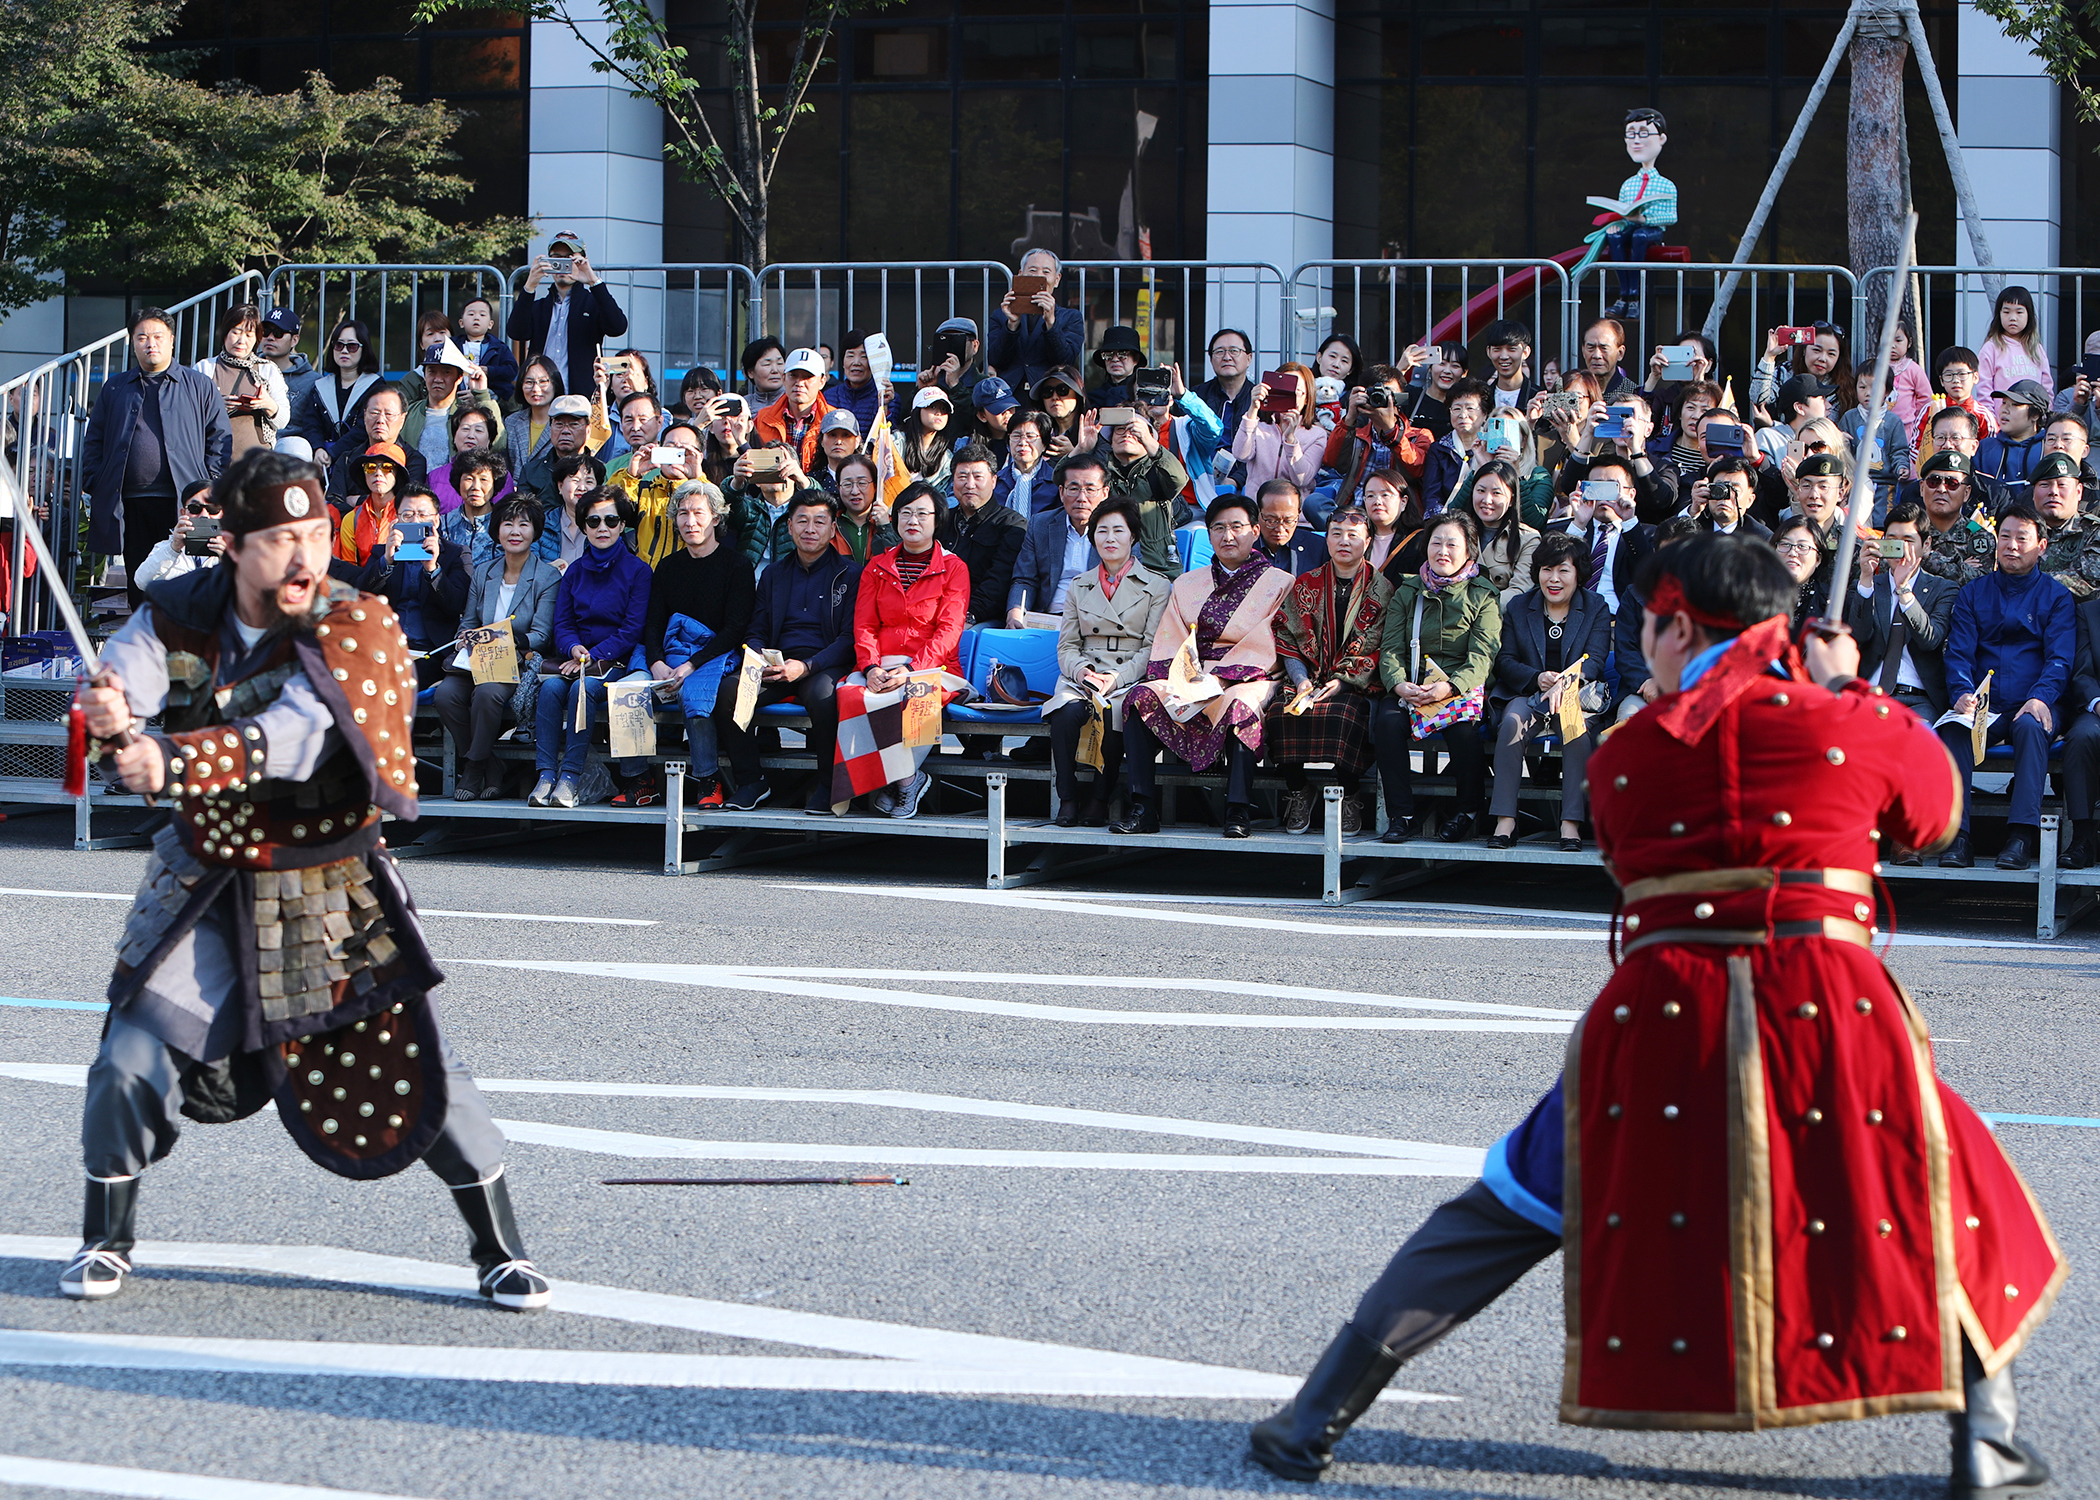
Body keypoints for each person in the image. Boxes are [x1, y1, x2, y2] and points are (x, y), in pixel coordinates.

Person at [1247, 532, 2063, 1494]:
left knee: (1508, 1204)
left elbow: (1632, 861)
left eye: (1649, 624)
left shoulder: (1627, 752)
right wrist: (1851, 694)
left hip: (1664, 1011)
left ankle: (1314, 1416)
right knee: (1944, 1194)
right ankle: (1987, 1441)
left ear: (1682, 625)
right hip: (1827, 1010)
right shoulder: (1850, 720)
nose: (1644, 640)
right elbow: (1933, 819)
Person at [65, 447, 552, 1312]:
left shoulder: (357, 622)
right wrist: (110, 712)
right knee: (131, 1051)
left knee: (417, 1069)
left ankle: (498, 1246)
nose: (303, 558)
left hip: (326, 885)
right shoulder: (181, 609)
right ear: (235, 544)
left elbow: (294, 739)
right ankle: (106, 1236)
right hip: (204, 874)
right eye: (281, 539)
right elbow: (129, 674)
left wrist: (166, 760)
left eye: (316, 535)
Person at [1114, 492, 1291, 839]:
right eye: (1219, 528)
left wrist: (1220, 679)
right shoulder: (1186, 583)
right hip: (1191, 673)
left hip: (1247, 676)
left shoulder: (1279, 583)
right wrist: (1189, 677)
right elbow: (1172, 637)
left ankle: (1237, 810)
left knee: (1241, 707)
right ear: (1208, 534)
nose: (1228, 536)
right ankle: (1142, 806)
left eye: (1237, 527)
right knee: (1139, 698)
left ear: (1255, 531)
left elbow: (1267, 643)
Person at [1938, 504, 2076, 871]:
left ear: (2041, 546)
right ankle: (1958, 836)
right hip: (1985, 701)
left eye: (2022, 539)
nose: (2012, 546)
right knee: (1955, 727)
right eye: (2005, 537)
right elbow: (1959, 654)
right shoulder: (1973, 593)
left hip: (2037, 699)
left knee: (2032, 727)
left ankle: (2020, 836)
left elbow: (2060, 659)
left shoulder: (2057, 597)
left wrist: (2040, 697)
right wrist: (1962, 695)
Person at [716, 491, 861, 815]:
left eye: (819, 521)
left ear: (833, 528)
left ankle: (828, 785)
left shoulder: (849, 574)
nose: (810, 529)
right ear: (790, 527)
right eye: (802, 521)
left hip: (824, 663)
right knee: (729, 690)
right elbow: (756, 628)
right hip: (776, 663)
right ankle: (751, 781)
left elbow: (850, 637)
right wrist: (757, 659)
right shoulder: (774, 574)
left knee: (824, 693)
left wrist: (808, 666)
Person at [82, 307, 233, 606]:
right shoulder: (115, 387)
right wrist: (95, 479)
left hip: (188, 503)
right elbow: (94, 439)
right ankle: (147, 641)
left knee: (192, 573)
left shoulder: (198, 385)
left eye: (158, 336)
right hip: (131, 502)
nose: (151, 343)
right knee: (140, 578)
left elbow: (219, 439)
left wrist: (210, 487)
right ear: (132, 343)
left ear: (172, 340)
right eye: (142, 337)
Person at [1039, 498, 1172, 827]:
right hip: (1083, 672)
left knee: (1115, 712)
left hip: (1128, 673)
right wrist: (1082, 671)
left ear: (1133, 537)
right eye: (1102, 531)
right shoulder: (1078, 585)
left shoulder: (1158, 586)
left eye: (1118, 530)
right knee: (1065, 713)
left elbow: (1153, 648)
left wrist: (1116, 677)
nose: (1109, 538)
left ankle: (1100, 796)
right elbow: (1067, 644)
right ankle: (1068, 797)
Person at [1372, 510, 1500, 844]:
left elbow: (1482, 654)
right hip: (1412, 685)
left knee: (1464, 732)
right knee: (1387, 722)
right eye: (1436, 542)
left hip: (1458, 688)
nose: (1442, 550)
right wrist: (1398, 683)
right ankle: (1402, 813)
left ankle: (1467, 809)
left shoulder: (1482, 595)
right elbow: (1390, 648)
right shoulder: (1407, 591)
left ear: (1469, 551)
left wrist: (1450, 686)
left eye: (1452, 544)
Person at [844, 483, 969, 819]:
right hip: (882, 662)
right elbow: (865, 625)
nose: (913, 520)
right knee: (848, 693)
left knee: (914, 694)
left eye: (922, 513)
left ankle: (900, 782)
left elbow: (949, 630)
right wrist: (870, 667)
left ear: (937, 520)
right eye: (906, 512)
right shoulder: (876, 566)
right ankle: (901, 779)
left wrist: (911, 668)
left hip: (934, 667)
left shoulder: (954, 567)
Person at [1844, 502, 1957, 866]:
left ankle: (1904, 838)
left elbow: (1930, 638)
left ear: (1925, 546)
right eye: (1891, 538)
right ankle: (1855, 835)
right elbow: (1856, 636)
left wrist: (1905, 592)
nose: (1899, 547)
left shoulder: (1942, 588)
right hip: (1872, 693)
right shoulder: (1868, 584)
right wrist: (1863, 581)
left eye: (1908, 540)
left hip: (1918, 696)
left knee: (1916, 742)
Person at [1267, 505, 1391, 837]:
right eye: (1336, 534)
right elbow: (1288, 635)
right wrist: (1301, 679)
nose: (1343, 542)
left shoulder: (1381, 589)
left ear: (1367, 540)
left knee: (1343, 716)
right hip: (1309, 679)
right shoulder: (1307, 583)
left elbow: (1376, 645)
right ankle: (1299, 790)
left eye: (1353, 535)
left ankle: (1349, 794)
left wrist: (1341, 682)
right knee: (1282, 711)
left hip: (1353, 684)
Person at [1486, 530, 1611, 850]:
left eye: (1563, 570)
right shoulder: (1518, 606)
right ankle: (1505, 821)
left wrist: (1564, 683)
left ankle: (1570, 824)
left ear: (1578, 574)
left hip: (1574, 695)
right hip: (1529, 692)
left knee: (1575, 730)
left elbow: (1595, 659)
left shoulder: (1596, 606)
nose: (1554, 579)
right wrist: (1538, 678)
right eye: (1547, 570)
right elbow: (1505, 659)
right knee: (1511, 723)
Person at [531, 486, 653, 809]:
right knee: (550, 689)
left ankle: (570, 778)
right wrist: (573, 648)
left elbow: (632, 630)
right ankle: (545, 775)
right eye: (594, 521)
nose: (602, 528)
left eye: (611, 520)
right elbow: (563, 624)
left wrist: (591, 656)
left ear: (622, 525)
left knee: (578, 691)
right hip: (578, 660)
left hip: (619, 662)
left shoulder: (639, 571)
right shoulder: (573, 572)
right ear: (584, 526)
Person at [434, 496, 561, 802]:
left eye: (523, 524)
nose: (515, 531)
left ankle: (474, 768)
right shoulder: (483, 572)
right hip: (475, 658)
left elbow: (541, 634)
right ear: (497, 530)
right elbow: (467, 621)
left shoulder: (547, 576)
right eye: (508, 524)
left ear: (535, 531)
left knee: (488, 693)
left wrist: (503, 639)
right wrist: (466, 636)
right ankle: (490, 762)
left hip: (515, 660)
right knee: (445, 695)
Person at [644, 480, 756, 810]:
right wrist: (655, 661)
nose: (690, 522)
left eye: (698, 513)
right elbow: (653, 623)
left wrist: (692, 664)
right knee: (629, 690)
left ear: (716, 518)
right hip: (671, 651)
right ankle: (638, 779)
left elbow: (735, 628)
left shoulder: (737, 565)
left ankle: (708, 779)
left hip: (716, 653)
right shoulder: (667, 566)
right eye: (682, 514)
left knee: (696, 691)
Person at [362, 486, 468, 691]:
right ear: (397, 519)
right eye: (407, 515)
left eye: (422, 515)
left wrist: (433, 568)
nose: (415, 522)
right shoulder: (381, 553)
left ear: (436, 520)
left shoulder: (456, 554)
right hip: (385, 648)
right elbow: (362, 596)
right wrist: (387, 561)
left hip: (430, 652)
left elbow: (456, 604)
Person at [508, 232, 628, 399]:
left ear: (582, 261)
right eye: (556, 258)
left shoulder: (592, 302)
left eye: (570, 259)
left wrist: (593, 281)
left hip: (581, 395)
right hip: (540, 394)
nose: (562, 265)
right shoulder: (539, 306)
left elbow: (618, 327)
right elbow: (516, 332)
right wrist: (530, 286)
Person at [1546, 456, 1653, 616]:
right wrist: (1579, 524)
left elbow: (1647, 575)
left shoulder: (1647, 534)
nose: (1604, 496)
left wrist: (1629, 521)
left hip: (1618, 620)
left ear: (1631, 494)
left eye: (1612, 487)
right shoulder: (1563, 530)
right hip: (1567, 615)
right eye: (1596, 487)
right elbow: (1550, 570)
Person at [937, 442, 1027, 627]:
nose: (970, 484)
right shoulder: (941, 521)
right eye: (962, 476)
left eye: (978, 477)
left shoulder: (1012, 524)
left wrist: (970, 615)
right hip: (937, 609)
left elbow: (999, 581)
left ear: (994, 481)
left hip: (981, 617)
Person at [1008, 454, 1105, 625]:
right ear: (1061, 492)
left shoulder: (1118, 530)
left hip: (1096, 622)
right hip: (1048, 619)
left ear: (1105, 493)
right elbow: (1025, 579)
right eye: (1073, 489)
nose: (1081, 498)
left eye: (1090, 489)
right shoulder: (1040, 525)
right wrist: (1015, 613)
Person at [1324, 365, 1432, 508]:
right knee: (1314, 503)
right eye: (1374, 393)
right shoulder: (1357, 434)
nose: (1383, 399)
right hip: (1355, 513)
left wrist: (1391, 431)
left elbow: (1416, 471)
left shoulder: (1419, 435)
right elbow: (1332, 462)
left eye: (1389, 394)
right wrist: (1350, 417)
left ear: (1401, 398)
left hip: (1399, 517)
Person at [193, 304, 289, 461]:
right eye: (236, 333)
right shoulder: (205, 367)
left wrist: (267, 404)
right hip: (211, 460)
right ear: (225, 334)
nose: (241, 341)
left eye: (249, 335)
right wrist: (215, 406)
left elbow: (283, 420)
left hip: (257, 463)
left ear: (257, 338)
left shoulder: (267, 370)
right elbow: (187, 415)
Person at [1100, 412, 1190, 578]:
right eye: (1119, 430)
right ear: (1111, 440)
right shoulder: (1101, 473)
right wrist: (1082, 449)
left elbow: (1178, 478)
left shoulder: (1158, 471)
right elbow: (1066, 486)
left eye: (1134, 430)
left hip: (1157, 570)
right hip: (1112, 572)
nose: (1127, 434)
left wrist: (1149, 441)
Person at [402, 337, 503, 477]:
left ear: (460, 377)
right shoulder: (408, 413)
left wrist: (482, 395)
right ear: (424, 375)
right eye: (432, 371)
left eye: (446, 372)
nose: (438, 379)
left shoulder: (467, 415)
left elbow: (498, 442)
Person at [288, 317, 382, 467]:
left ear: (364, 349)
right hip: (322, 460)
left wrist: (334, 452)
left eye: (352, 346)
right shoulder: (320, 386)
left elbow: (365, 428)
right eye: (339, 345)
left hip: (362, 461)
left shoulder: (376, 387)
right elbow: (311, 424)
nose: (344, 351)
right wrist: (318, 449)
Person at [989, 248, 1085, 389]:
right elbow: (996, 360)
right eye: (1032, 271)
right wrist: (1012, 325)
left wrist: (1051, 323)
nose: (1038, 277)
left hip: (1048, 394)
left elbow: (1065, 361)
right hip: (1009, 395)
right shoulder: (1001, 314)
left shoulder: (1071, 317)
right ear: (1021, 275)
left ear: (1057, 280)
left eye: (1046, 272)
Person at [327, 386, 430, 506]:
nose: (380, 420)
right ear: (364, 416)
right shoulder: (347, 459)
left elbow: (407, 504)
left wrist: (358, 501)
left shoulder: (413, 460)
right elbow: (334, 503)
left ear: (402, 419)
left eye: (389, 414)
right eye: (374, 413)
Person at [1913, 450, 2000, 584]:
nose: (1941, 489)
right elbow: (1892, 575)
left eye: (1952, 484)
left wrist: (1928, 557)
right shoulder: (1907, 532)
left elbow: (1979, 584)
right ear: (1922, 488)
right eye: (1933, 482)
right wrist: (1961, 567)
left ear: (1966, 493)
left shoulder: (1979, 537)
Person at [1233, 371, 1324, 498]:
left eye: (1298, 391)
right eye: (1284, 389)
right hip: (1258, 508)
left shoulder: (1317, 434)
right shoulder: (1259, 426)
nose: (1291, 396)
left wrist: (1291, 440)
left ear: (1307, 398)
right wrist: (1253, 409)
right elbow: (1240, 454)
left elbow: (1303, 479)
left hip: (1294, 512)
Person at [1459, 459, 1539, 602]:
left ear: (1511, 500)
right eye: (1481, 491)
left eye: (1496, 493)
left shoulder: (1528, 539)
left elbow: (1519, 590)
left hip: (1496, 617)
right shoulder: (1457, 531)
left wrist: (1480, 610)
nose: (1487, 500)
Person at [2061, 589, 2100, 868]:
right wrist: (2097, 704)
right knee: (2082, 737)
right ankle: (2082, 837)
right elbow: (2082, 672)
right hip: (2098, 708)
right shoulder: (2089, 612)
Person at [2032, 449, 2100, 598]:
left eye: (2062, 485)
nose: (2054, 492)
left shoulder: (2094, 531)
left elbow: (2090, 583)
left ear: (2078, 492)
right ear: (2033, 493)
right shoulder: (2020, 530)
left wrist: (2029, 583)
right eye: (2045, 485)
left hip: (2081, 617)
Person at [754, 347, 832, 475]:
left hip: (818, 492)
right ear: (784, 378)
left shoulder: (833, 421)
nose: (799, 383)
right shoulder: (762, 417)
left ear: (822, 381)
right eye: (793, 376)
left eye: (808, 377)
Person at [134, 481, 225, 588]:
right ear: (183, 513)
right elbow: (141, 582)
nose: (204, 515)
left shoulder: (237, 549)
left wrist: (227, 559)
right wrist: (173, 549)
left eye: (213, 509)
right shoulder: (166, 547)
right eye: (195, 508)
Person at [334, 444, 410, 568]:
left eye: (386, 467)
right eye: (370, 467)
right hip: (363, 584)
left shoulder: (409, 516)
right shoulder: (351, 519)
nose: (378, 473)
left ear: (397, 474)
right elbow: (349, 569)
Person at [1976, 284, 2054, 403]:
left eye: (2019, 312)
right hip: (2001, 419)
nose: (2013, 318)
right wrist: (1991, 419)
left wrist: (2045, 417)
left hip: (2033, 419)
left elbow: (2047, 388)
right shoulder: (1991, 348)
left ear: (2029, 315)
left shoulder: (2037, 349)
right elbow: (1984, 390)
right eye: (2006, 312)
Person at [515, 393, 598, 505]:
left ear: (588, 430)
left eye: (573, 424)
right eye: (559, 424)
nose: (565, 431)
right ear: (550, 429)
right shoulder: (531, 472)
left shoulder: (600, 470)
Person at [1977, 379, 2051, 498]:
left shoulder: (2049, 447)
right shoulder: (1985, 448)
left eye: (2016, 404)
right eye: (2004, 403)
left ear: (2035, 414)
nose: (2004, 410)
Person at [1919, 345, 1999, 455]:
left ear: (1975, 377)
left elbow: (1991, 450)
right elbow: (1916, 445)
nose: (1956, 380)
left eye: (1962, 374)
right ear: (1941, 380)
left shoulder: (1983, 415)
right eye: (1949, 375)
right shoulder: (1930, 409)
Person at [534, 451, 605, 573]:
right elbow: (530, 566)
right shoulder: (541, 524)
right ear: (560, 486)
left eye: (589, 482)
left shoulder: (607, 525)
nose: (582, 488)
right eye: (575, 480)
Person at [1252, 479, 1328, 578]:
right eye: (1271, 521)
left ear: (1298, 514)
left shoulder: (1318, 547)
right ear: (1258, 513)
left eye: (1288, 521)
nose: (1280, 529)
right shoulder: (1244, 546)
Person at [505, 356, 565, 479]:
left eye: (543, 382)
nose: (536, 389)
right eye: (529, 382)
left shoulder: (564, 425)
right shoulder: (511, 422)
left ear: (555, 384)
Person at [256, 305, 318, 422]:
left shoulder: (312, 382)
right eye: (265, 332)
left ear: (294, 340)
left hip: (290, 438)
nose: (270, 338)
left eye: (278, 333)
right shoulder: (248, 370)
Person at [452, 295, 517, 406]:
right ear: (461, 323)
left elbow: (511, 370)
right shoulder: (453, 345)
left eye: (482, 315)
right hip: (457, 398)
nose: (476, 318)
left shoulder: (498, 347)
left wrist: (489, 370)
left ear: (490, 324)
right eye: (471, 314)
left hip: (488, 398)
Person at [820, 331, 885, 437]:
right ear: (842, 361)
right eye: (850, 355)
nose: (856, 362)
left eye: (864, 356)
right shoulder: (828, 396)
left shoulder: (885, 398)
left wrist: (884, 406)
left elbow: (887, 442)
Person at [1190, 327, 1256, 433]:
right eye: (1219, 352)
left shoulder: (1258, 399)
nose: (1227, 357)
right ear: (1211, 360)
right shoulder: (1197, 396)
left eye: (1234, 351)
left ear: (1249, 359)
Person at [1690, 455, 1771, 540]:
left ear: (1749, 500)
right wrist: (1693, 511)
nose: (1725, 497)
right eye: (1720, 488)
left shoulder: (1761, 539)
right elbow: (1675, 536)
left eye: (1734, 489)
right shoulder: (1695, 525)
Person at [993, 411, 1056, 518]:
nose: (1023, 442)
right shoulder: (994, 482)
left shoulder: (1056, 482)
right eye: (1016, 436)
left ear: (1044, 444)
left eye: (1030, 436)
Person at [1360, 467, 1423, 574]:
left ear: (1403, 501)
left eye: (1385, 495)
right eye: (1370, 496)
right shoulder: (1356, 537)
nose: (1377, 501)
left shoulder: (1419, 540)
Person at [897, 387, 956, 497]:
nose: (938, 413)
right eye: (932, 407)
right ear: (917, 410)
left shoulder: (947, 458)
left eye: (944, 409)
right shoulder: (895, 443)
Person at [1773, 518, 1829, 632]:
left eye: (1802, 546)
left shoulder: (1829, 602)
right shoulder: (1756, 594)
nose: (1793, 552)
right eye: (1785, 544)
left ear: (1818, 559)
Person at [1481, 319, 1539, 411]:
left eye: (1512, 349)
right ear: (1489, 352)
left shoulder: (1539, 399)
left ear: (1525, 352)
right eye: (1497, 349)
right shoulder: (1480, 399)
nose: (1504, 356)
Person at [1032, 367, 1088, 461]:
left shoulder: (1095, 432)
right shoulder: (1036, 434)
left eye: (1062, 390)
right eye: (1048, 392)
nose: (1054, 397)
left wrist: (1074, 454)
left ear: (1077, 394)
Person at [961, 376, 1019, 465]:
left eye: (1010, 407)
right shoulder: (965, 445)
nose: (1007, 413)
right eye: (1000, 409)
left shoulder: (1022, 443)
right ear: (982, 416)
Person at [813, 408, 863, 493]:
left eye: (846, 435)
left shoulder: (869, 480)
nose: (838, 441)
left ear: (857, 441)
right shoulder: (812, 480)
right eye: (832, 435)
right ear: (822, 440)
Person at [740, 336, 787, 404]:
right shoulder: (744, 405)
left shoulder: (794, 403)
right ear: (750, 372)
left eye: (779, 363)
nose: (775, 370)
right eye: (767, 364)